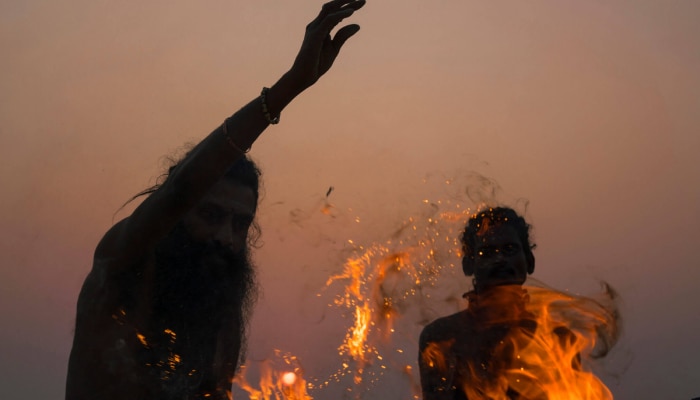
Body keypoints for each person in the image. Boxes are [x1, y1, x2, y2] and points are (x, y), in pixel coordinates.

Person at [65, 1, 366, 399]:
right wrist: (288, 87)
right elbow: (181, 189)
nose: (226, 236)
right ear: (171, 215)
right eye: (211, 215)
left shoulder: (217, 317)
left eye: (240, 224)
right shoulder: (120, 269)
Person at [418, 207, 538, 399]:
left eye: (510, 250)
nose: (499, 259)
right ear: (468, 265)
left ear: (529, 261)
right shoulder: (442, 337)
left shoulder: (556, 337)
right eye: (486, 253)